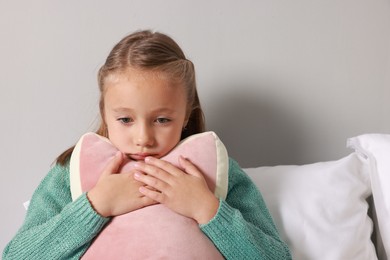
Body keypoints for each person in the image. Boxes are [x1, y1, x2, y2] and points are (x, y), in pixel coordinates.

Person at [3, 30, 291, 259]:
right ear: (105, 112)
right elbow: (16, 256)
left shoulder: (216, 172)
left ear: (186, 116)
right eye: (126, 119)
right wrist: (95, 206)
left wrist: (207, 209)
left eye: (162, 120)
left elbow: (275, 257)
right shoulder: (71, 174)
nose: (143, 138)